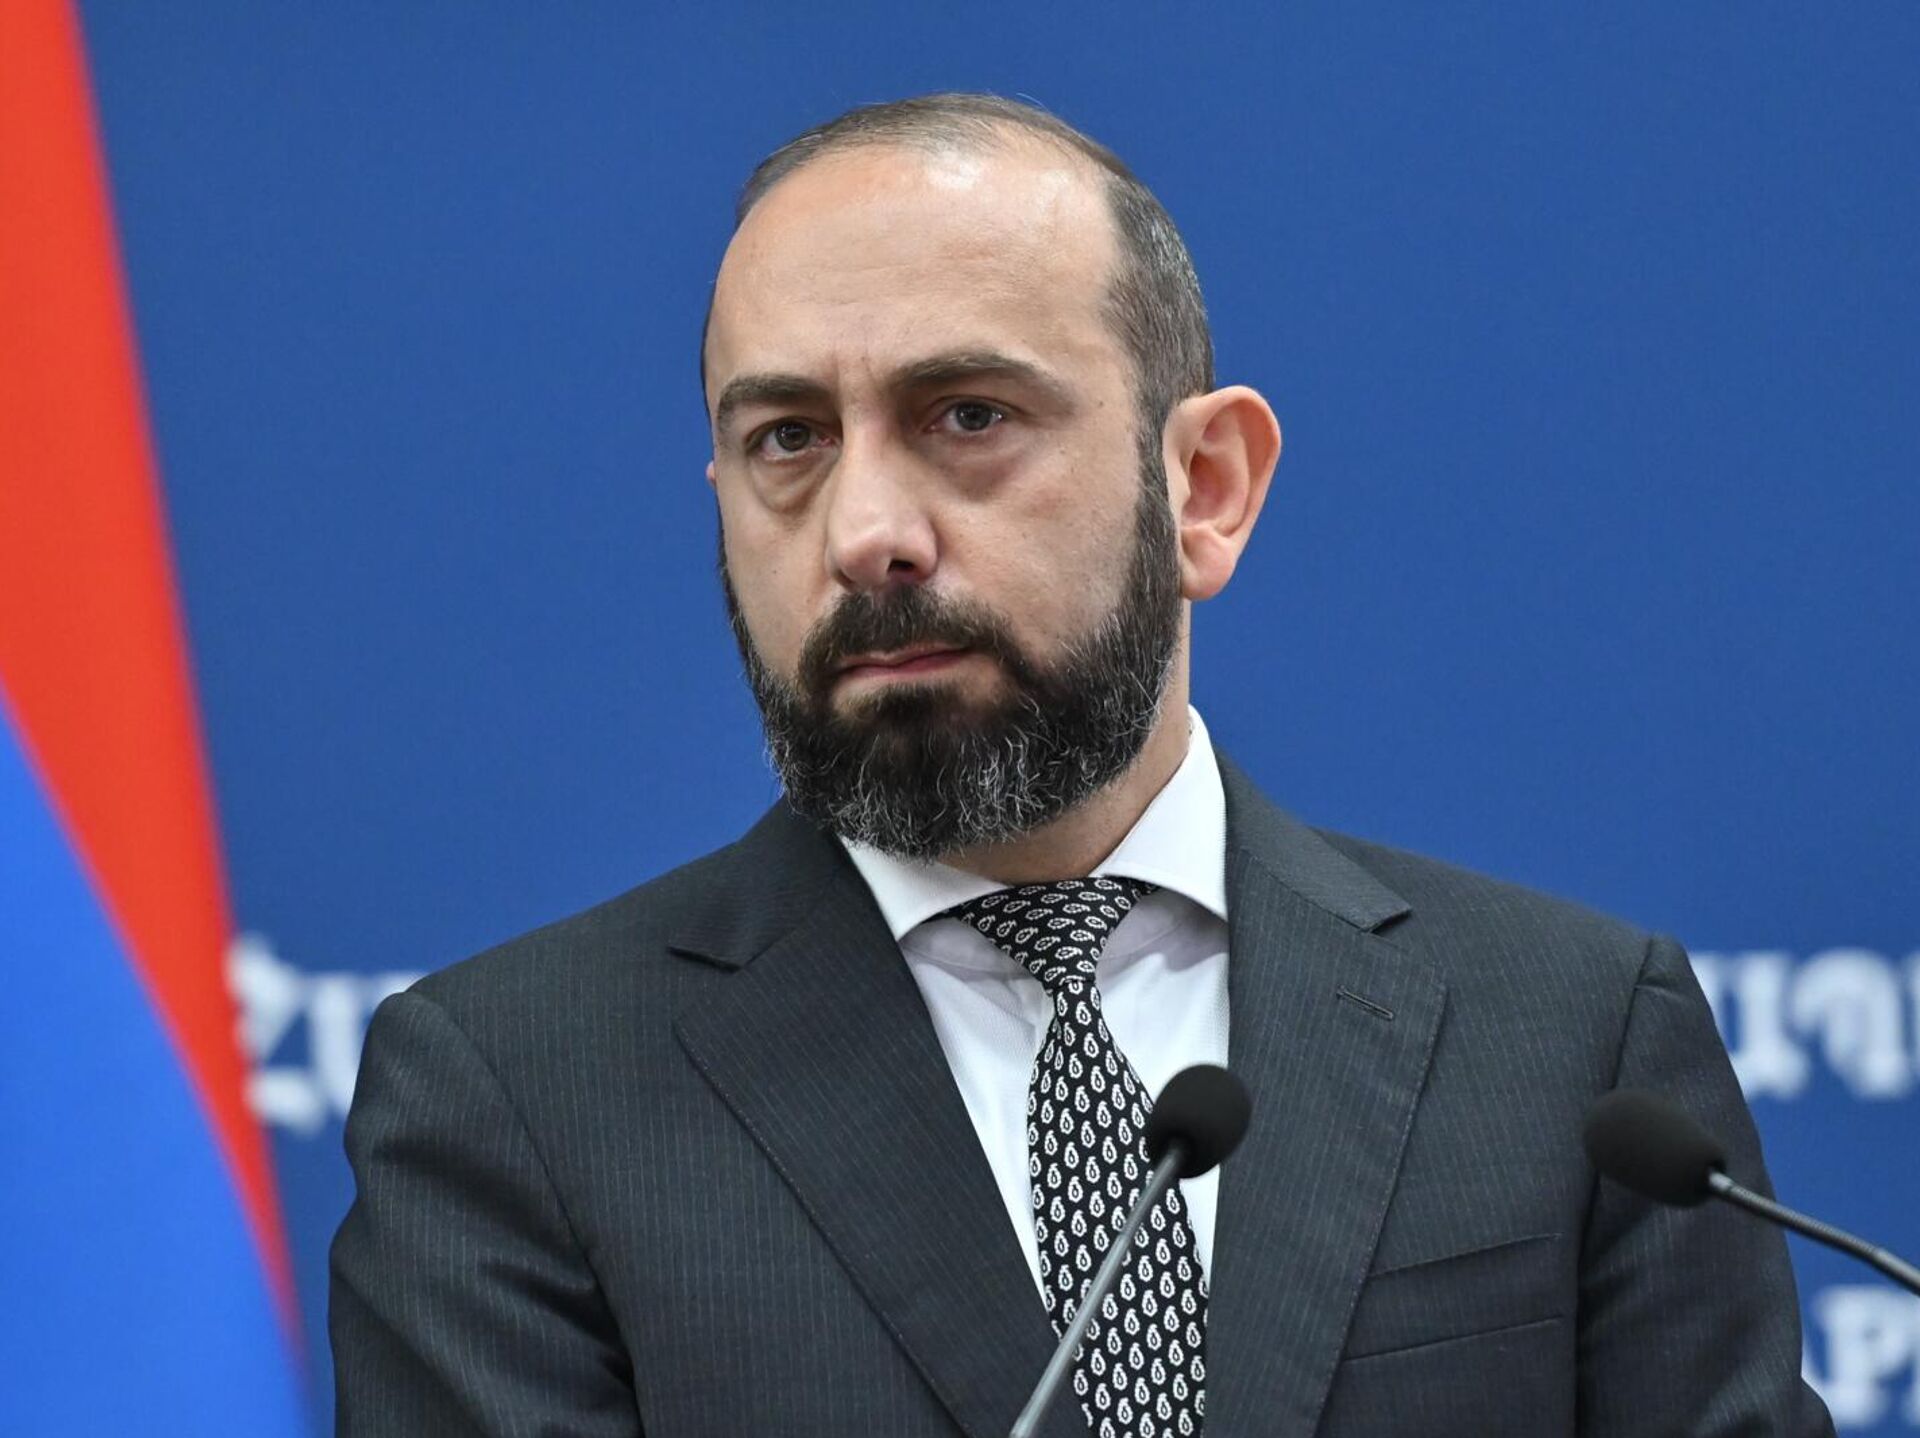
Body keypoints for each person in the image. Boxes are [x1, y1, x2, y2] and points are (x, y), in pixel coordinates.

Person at [330, 94, 1833, 1437]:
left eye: (967, 416)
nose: (867, 534)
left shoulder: (1567, 1039)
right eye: (790, 438)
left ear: (1205, 487)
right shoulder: (515, 1098)